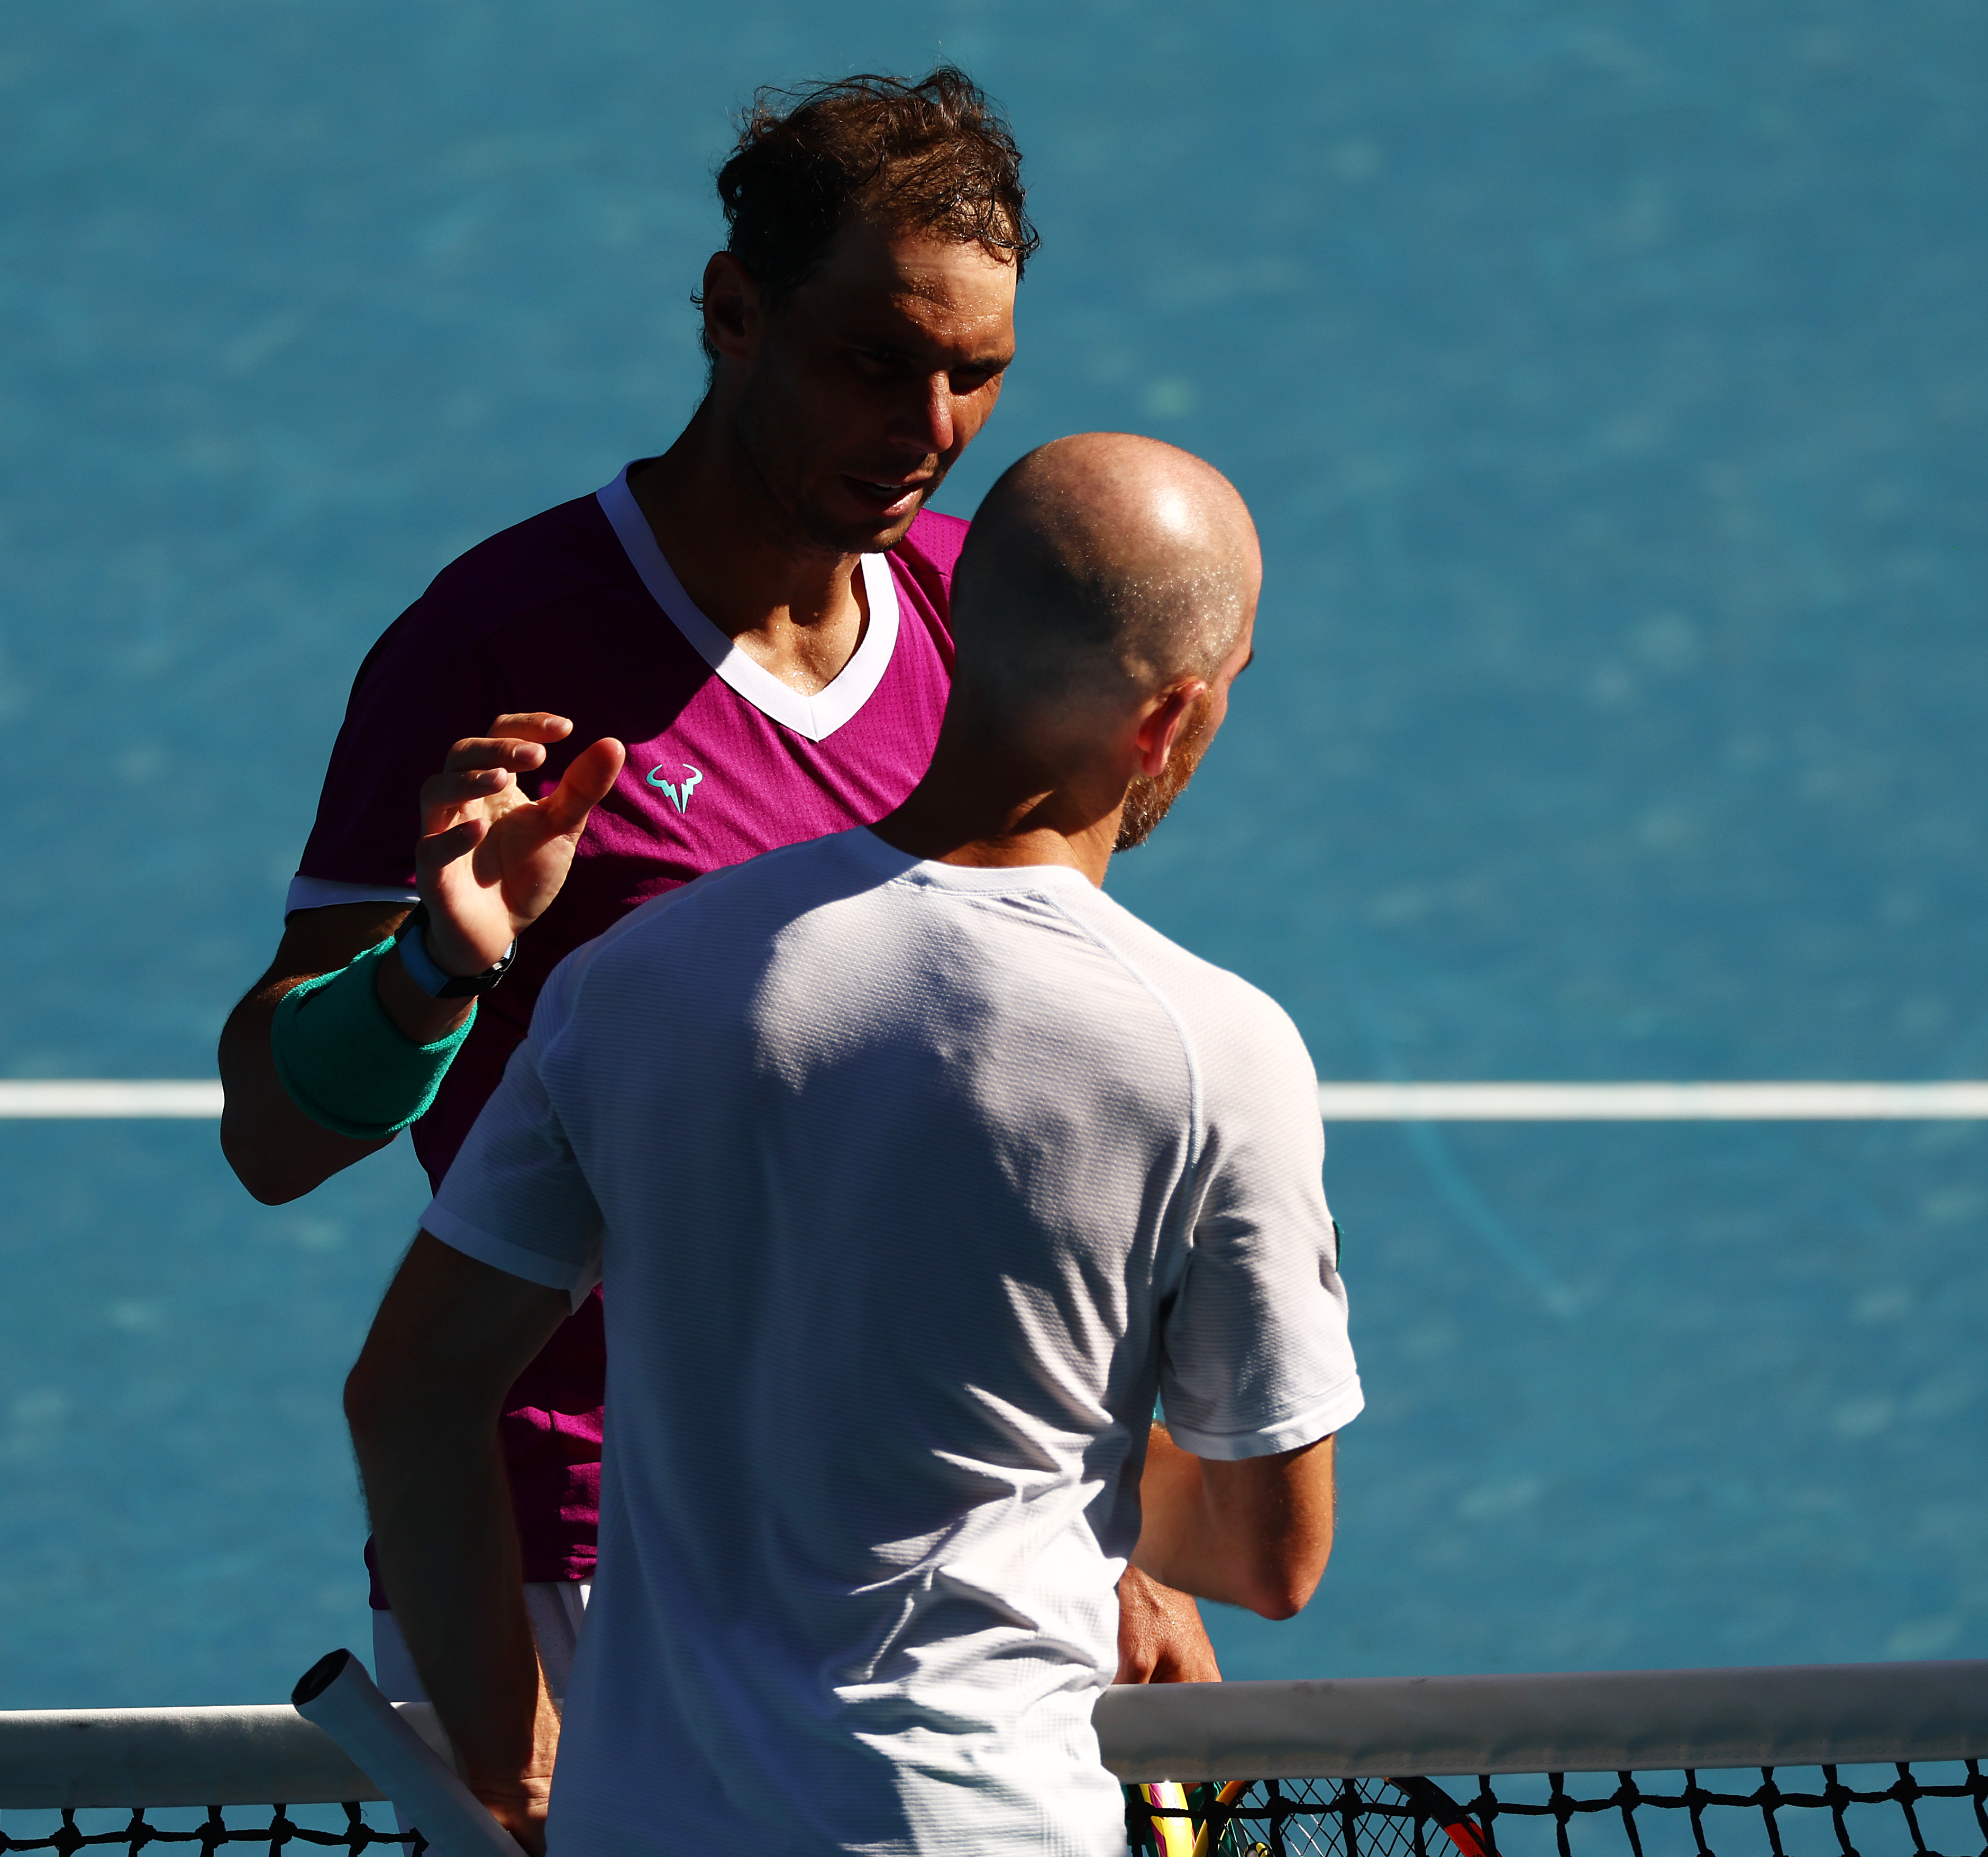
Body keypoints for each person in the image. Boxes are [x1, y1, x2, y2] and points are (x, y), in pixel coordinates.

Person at [213, 64, 1218, 1783]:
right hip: (582, 1553)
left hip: (931, 1535)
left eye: (974, 374)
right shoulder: (496, 646)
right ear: (733, 312)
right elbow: (274, 1132)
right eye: (873, 361)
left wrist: (1110, 1530)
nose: (926, 424)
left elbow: (1042, 1100)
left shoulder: (990, 621)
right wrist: (435, 969)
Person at [346, 433, 1363, 1856]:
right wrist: (1068, 1466)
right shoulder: (1215, 1047)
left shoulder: (629, 984)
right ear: (1170, 718)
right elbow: (1270, 1552)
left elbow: (410, 1399)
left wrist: (515, 1775)